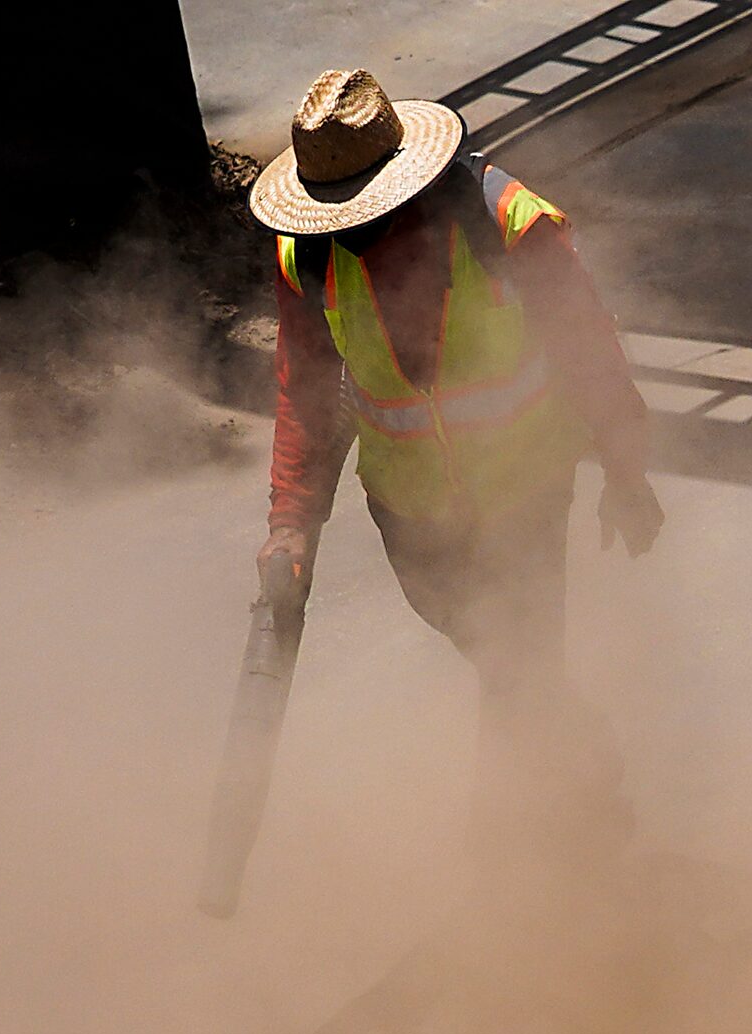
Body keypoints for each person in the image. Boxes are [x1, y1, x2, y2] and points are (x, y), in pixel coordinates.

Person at [248, 68, 664, 870]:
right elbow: (305, 388)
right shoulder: (306, 255)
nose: (355, 236)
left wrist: (625, 470)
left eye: (367, 219)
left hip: (524, 486)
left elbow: (588, 348)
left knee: (518, 660)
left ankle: (532, 857)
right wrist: (289, 523)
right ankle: (574, 776)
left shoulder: (505, 223)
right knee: (499, 655)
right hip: (407, 506)